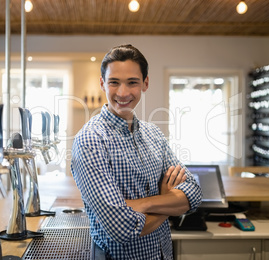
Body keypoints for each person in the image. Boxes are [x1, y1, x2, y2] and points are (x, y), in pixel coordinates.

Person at [71, 44, 202, 259]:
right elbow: (121, 228)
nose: (123, 93)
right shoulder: (90, 141)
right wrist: (168, 202)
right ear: (103, 84)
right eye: (114, 83)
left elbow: (195, 194)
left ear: (145, 84)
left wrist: (146, 203)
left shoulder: (154, 134)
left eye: (132, 82)